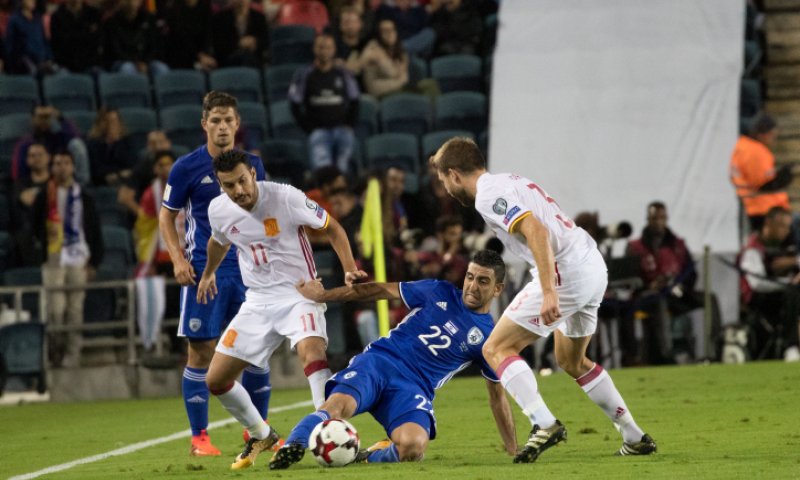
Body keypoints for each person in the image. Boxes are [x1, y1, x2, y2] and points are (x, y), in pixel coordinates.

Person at [429, 137, 656, 462]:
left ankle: (544, 423)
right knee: (572, 361)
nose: (446, 189)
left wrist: (549, 291)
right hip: (591, 263)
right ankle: (634, 436)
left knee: (495, 348)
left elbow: (536, 230)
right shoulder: (509, 180)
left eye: (443, 181)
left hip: (566, 271)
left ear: (453, 174)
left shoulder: (487, 195)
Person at [268, 249, 516, 469]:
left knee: (413, 446)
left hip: (413, 388)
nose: (472, 286)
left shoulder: (490, 339)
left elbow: (497, 397)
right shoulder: (437, 290)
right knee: (337, 406)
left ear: (498, 289)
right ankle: (293, 445)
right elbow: (380, 290)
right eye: (470, 277)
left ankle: (366, 457)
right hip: (380, 363)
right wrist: (323, 295)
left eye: (483, 281)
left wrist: (513, 449)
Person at [196, 149, 366, 470]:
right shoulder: (219, 210)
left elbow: (333, 227)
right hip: (257, 301)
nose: (239, 190)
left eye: (243, 181)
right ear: (220, 185)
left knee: (312, 354)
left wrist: (348, 269)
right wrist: (208, 274)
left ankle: (329, 433)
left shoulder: (286, 197)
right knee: (215, 380)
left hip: (298, 293)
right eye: (229, 185)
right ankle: (261, 434)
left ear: (253, 174)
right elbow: (218, 242)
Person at [158, 91, 272, 457]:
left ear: (237, 124)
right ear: (204, 124)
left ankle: (259, 433)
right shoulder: (186, 167)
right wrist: (177, 259)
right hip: (203, 272)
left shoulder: (253, 165)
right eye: (216, 120)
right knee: (201, 351)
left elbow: (265, 214)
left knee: (257, 351)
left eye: (228, 120)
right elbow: (166, 216)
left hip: (249, 272)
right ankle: (200, 438)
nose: (222, 127)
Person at [32, 150, 103, 368]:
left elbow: (93, 229)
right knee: (55, 309)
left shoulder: (84, 196)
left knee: (74, 310)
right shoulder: (45, 195)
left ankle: (73, 354)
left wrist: (94, 262)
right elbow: (33, 226)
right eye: (57, 163)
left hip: (79, 256)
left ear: (72, 167)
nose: (61, 167)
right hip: (54, 256)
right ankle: (55, 351)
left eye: (66, 163)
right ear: (52, 167)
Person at [626, 202, 702, 364]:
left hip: (677, 292)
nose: (659, 222)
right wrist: (649, 285)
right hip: (647, 296)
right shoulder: (635, 247)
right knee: (659, 302)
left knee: (709, 299)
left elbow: (692, 273)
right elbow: (629, 278)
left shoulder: (678, 245)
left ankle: (710, 349)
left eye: (662, 217)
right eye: (655, 218)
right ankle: (666, 353)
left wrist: (681, 286)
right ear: (648, 219)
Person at [289, 33, 360, 174]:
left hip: (343, 130)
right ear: (314, 49)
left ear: (334, 50)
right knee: (322, 173)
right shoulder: (304, 74)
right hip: (319, 131)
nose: (324, 51)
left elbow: (355, 99)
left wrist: (349, 125)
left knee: (343, 172)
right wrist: (309, 128)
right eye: (321, 47)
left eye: (328, 47)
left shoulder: (343, 73)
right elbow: (294, 103)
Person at [738, 206, 800, 361]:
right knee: (792, 292)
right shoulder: (753, 247)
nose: (786, 231)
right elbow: (757, 284)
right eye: (782, 226)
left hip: (779, 295)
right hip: (757, 299)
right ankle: (791, 345)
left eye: (788, 227)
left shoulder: (785, 246)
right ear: (769, 223)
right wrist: (788, 282)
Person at [730, 113, 795, 232]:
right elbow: (762, 184)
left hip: (751, 206)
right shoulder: (756, 151)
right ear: (762, 134)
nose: (774, 138)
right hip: (763, 209)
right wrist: (780, 180)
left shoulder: (742, 146)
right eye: (772, 134)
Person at [102, 0, 169, 77]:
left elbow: (153, 45)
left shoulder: (148, 18)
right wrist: (135, 63)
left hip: (145, 61)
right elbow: (115, 50)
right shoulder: (112, 21)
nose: (132, 3)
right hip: (122, 61)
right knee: (127, 68)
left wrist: (145, 62)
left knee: (161, 68)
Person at [360, 19, 409, 98]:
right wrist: (399, 78)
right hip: (379, 93)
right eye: (385, 31)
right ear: (379, 34)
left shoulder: (399, 50)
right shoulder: (372, 47)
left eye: (392, 29)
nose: (390, 33)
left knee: (427, 85)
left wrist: (399, 78)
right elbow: (390, 73)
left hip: (397, 90)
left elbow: (405, 78)